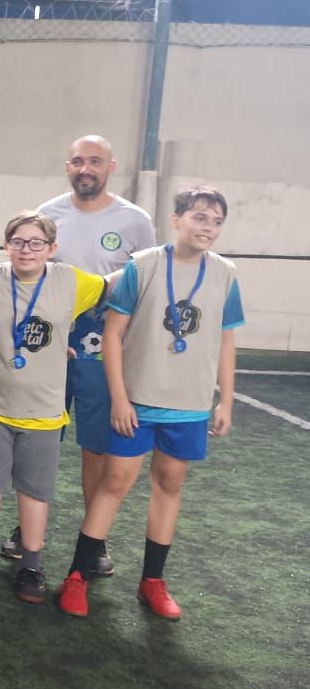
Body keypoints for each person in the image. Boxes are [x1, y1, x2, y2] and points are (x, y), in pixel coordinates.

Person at [59, 187, 242, 620]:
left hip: (190, 404)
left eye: (216, 221)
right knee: (115, 482)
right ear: (176, 219)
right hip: (138, 401)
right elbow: (112, 334)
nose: (208, 228)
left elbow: (226, 339)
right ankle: (77, 576)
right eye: (199, 217)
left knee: (169, 485)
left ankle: (152, 581)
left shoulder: (225, 273)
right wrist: (120, 399)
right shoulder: (142, 266)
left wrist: (226, 401)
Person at [4, 135, 156, 575]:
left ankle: (95, 538)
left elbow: (144, 286)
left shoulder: (135, 221)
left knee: (96, 446)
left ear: (111, 166)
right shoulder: (47, 214)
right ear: (67, 166)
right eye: (77, 161)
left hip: (103, 347)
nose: (85, 168)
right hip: (47, 341)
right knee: (39, 440)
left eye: (94, 161)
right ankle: (26, 529)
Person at [0, 213, 108, 603]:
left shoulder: (71, 281)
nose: (27, 249)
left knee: (35, 492)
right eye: (18, 242)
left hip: (43, 412)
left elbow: (115, 284)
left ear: (51, 248)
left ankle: (31, 565)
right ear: (6, 246)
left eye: (36, 242)